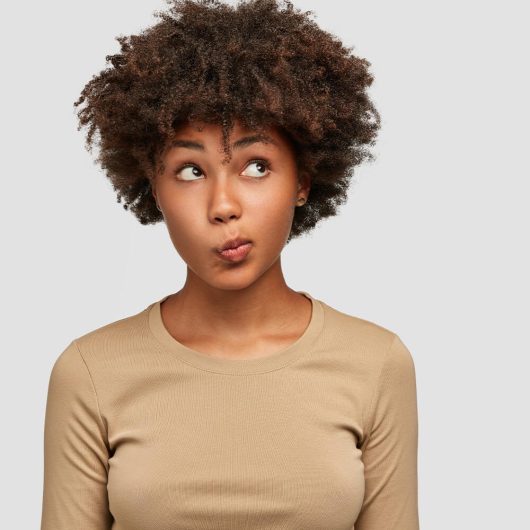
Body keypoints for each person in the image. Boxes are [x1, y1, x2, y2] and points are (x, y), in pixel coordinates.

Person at [40, 1, 419, 528]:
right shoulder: (91, 372)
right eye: (190, 171)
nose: (223, 205)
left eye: (256, 166)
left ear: (302, 181)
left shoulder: (375, 364)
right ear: (154, 188)